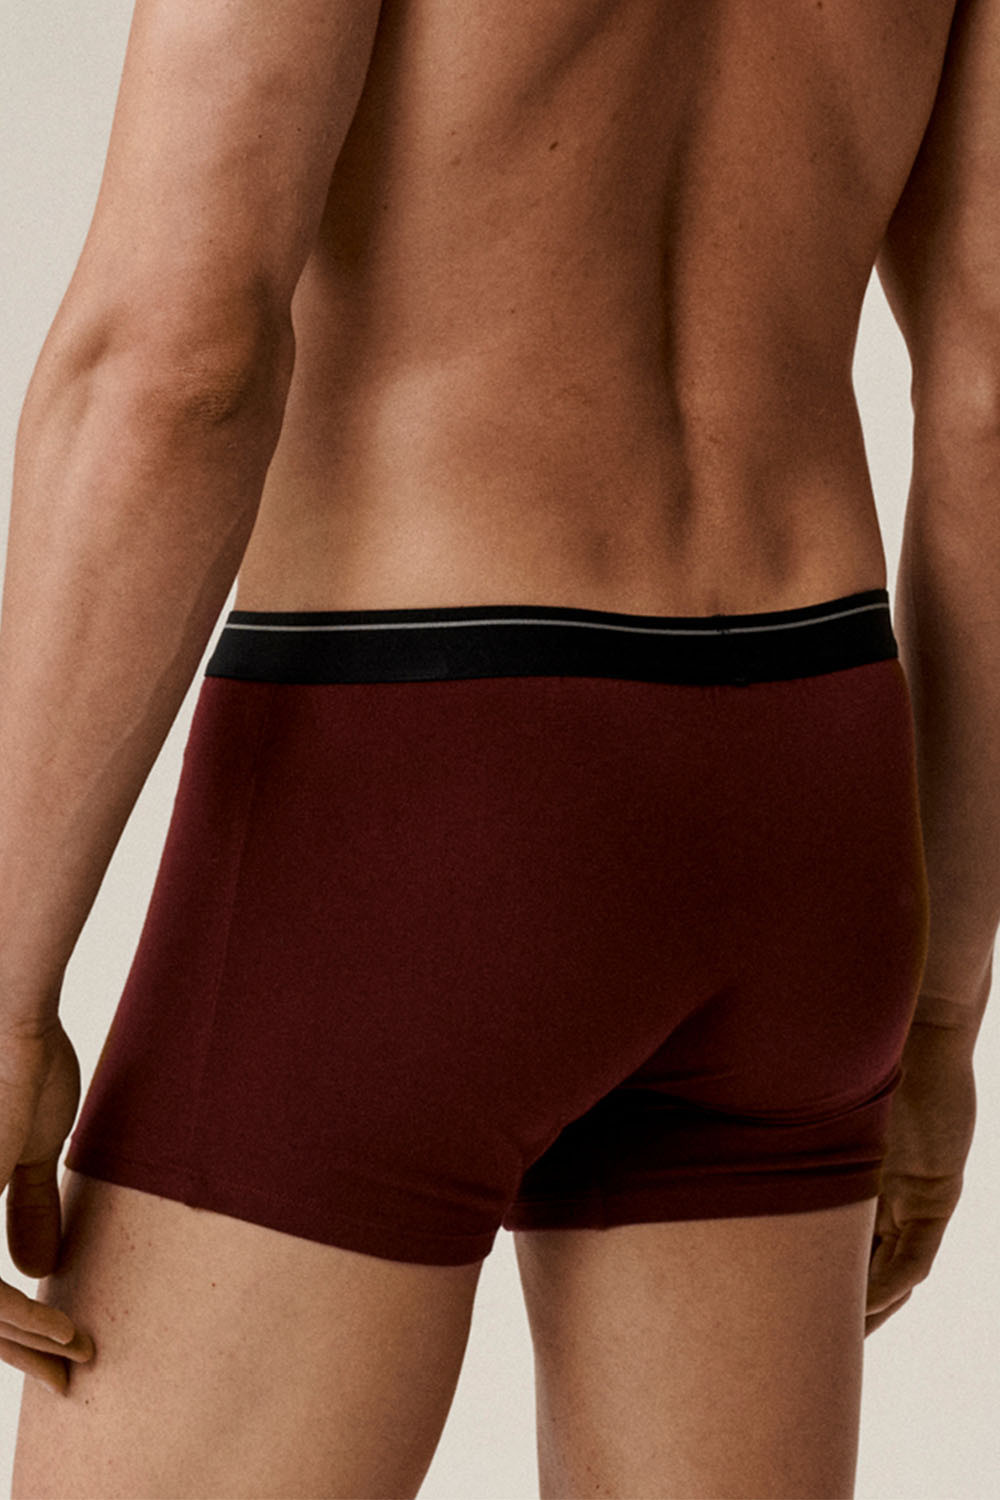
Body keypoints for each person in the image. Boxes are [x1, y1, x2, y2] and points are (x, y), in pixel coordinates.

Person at [0, 0, 995, 1494]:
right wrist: (939, 1012)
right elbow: (989, 402)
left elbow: (175, 361)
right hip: (811, 787)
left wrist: (4, 988)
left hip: (418, 790)